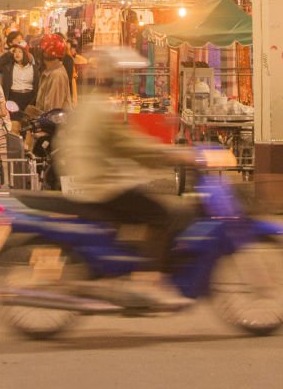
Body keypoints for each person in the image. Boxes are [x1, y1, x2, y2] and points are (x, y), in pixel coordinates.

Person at [56, 47, 194, 307]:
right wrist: (171, 154)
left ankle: (127, 270)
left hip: (86, 180)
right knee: (163, 215)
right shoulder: (100, 109)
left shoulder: (87, 104)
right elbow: (130, 146)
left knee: (139, 208)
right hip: (99, 185)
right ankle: (151, 283)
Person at [34, 35, 71, 114]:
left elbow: (52, 111)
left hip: (53, 124)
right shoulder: (49, 71)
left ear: (47, 53)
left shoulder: (56, 75)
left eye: (41, 50)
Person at [2, 41, 38, 115]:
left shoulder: (34, 68)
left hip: (29, 99)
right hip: (13, 98)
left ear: (26, 54)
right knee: (15, 124)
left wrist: (33, 101)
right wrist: (8, 53)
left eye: (20, 52)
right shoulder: (9, 67)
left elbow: (37, 86)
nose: (17, 54)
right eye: (15, 52)